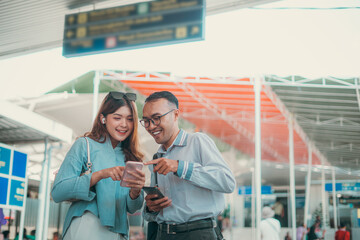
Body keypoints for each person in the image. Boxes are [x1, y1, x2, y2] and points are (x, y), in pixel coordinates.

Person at [141, 91, 236, 240]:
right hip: (164, 234)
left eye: (157, 118)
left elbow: (227, 182)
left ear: (175, 114)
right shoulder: (157, 157)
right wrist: (151, 207)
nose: (151, 126)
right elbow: (158, 212)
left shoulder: (197, 141)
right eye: (146, 121)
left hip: (198, 233)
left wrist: (180, 167)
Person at [51, 91, 145, 240]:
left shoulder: (132, 158)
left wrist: (136, 192)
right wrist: (100, 175)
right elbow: (58, 192)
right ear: (103, 118)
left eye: (130, 119)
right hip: (86, 226)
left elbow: (132, 208)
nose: (124, 124)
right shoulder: (84, 145)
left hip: (119, 232)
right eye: (117, 118)